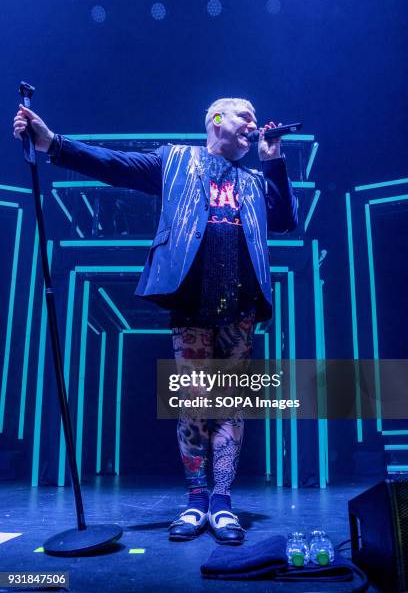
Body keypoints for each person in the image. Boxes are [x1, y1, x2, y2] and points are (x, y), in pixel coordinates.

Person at [13, 97, 298, 545]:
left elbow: (284, 220)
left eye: (256, 120)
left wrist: (273, 158)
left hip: (241, 306)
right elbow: (116, 165)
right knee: (194, 403)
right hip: (190, 300)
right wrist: (54, 144)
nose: (253, 124)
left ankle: (222, 504)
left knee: (231, 406)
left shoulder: (253, 180)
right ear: (216, 120)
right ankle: (196, 500)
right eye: (246, 117)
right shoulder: (177, 160)